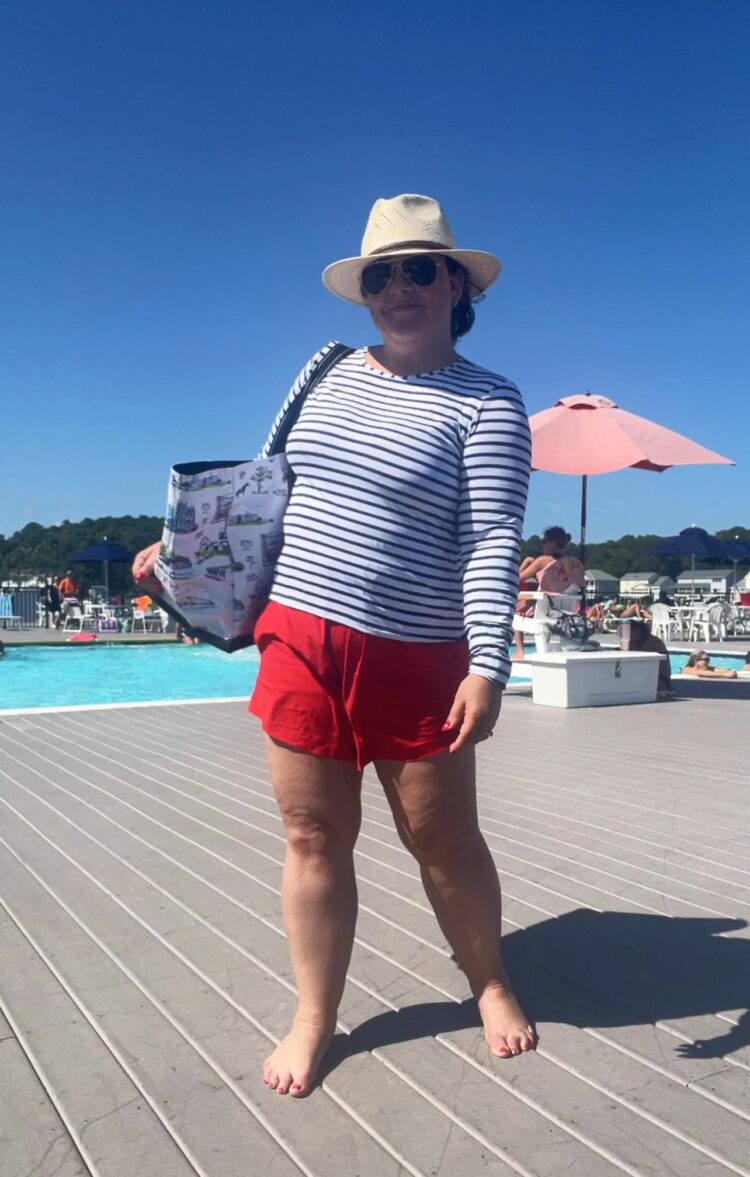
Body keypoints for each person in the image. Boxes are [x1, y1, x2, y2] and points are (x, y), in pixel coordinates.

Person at [133, 192, 536, 1096]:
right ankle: (315, 1015)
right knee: (313, 834)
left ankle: (492, 980)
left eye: (419, 269)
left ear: (456, 285)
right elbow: (266, 484)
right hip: (303, 638)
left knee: (443, 840)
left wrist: (487, 664)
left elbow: (488, 542)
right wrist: (188, 547)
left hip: (417, 652)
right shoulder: (325, 370)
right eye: (382, 274)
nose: (400, 288)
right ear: (365, 292)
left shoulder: (490, 403)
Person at [513, 526, 572, 659]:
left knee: (518, 608)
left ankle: (519, 651)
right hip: (563, 611)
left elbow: (518, 578)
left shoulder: (542, 561)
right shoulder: (569, 563)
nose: (543, 545)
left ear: (553, 543)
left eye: (544, 541)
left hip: (544, 611)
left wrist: (526, 563)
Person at [628, 619, 673, 698]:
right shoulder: (637, 642)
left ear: (636, 632)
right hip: (650, 675)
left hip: (660, 678)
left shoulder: (652, 642)